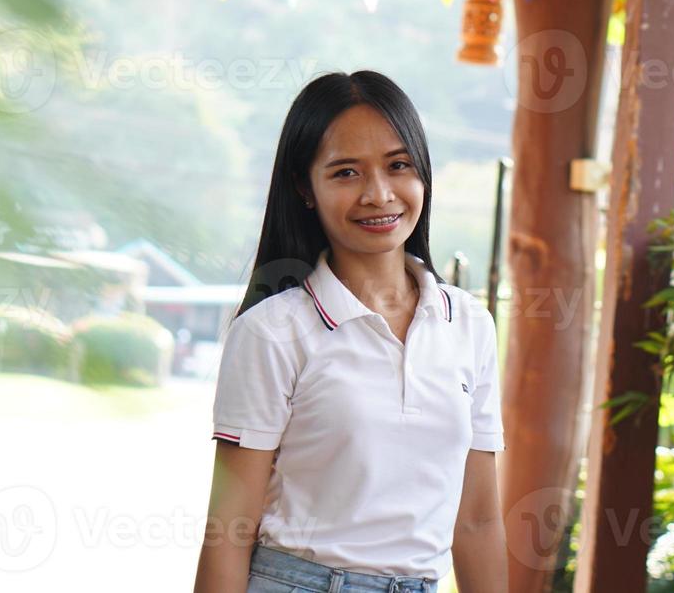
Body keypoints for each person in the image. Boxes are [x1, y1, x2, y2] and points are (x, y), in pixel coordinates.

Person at [193, 71, 508, 593]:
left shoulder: (469, 324)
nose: (378, 194)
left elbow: (476, 518)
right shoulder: (273, 331)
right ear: (305, 188)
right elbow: (228, 531)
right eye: (345, 173)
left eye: (398, 165)